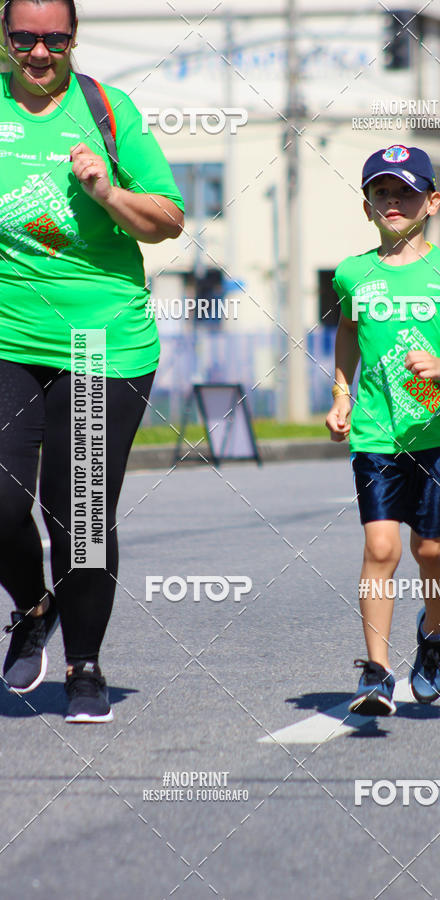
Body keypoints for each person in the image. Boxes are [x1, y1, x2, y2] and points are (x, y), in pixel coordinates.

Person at [0, 0, 184, 722]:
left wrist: (106, 191)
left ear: (74, 38)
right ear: (6, 38)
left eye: (53, 38)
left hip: (101, 343)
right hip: (9, 341)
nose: (39, 52)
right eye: (24, 38)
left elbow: (168, 219)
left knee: (76, 511)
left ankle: (84, 666)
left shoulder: (108, 112)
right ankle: (33, 606)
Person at [326, 144, 440, 715]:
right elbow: (348, 335)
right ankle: (375, 672)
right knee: (381, 546)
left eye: (404, 191)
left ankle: (434, 628)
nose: (392, 202)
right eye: (381, 192)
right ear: (368, 204)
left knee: (429, 547)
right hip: (376, 433)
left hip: (439, 428)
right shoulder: (353, 273)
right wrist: (341, 396)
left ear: (432, 201)